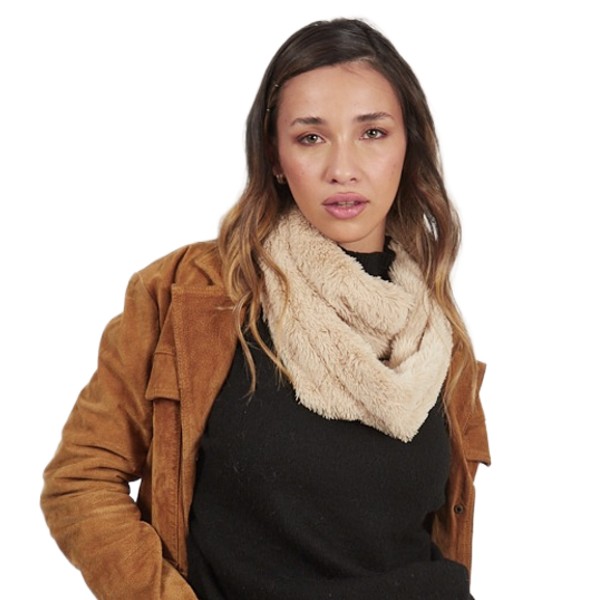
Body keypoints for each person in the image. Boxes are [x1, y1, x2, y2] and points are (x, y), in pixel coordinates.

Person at [41, 17, 490, 600]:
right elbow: (80, 480)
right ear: (275, 157)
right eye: (311, 138)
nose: (343, 168)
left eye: (373, 132)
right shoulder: (191, 294)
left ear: (410, 146)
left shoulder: (434, 330)